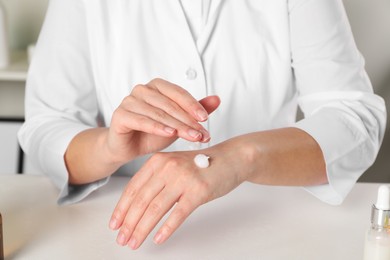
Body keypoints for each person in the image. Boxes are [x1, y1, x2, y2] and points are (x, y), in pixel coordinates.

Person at [18, 0, 386, 250]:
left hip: (272, 228)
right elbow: (46, 126)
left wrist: (241, 157)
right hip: (126, 239)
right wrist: (109, 147)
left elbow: (354, 118)